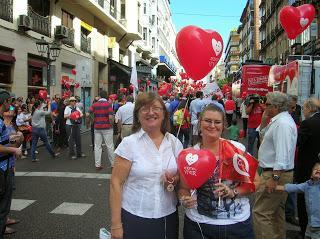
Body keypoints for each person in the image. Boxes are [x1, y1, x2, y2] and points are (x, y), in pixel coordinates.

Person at [178, 104, 259, 239]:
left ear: (223, 125)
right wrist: (184, 199)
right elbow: (183, 188)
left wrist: (233, 192)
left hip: (237, 226)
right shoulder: (189, 155)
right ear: (199, 124)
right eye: (208, 121)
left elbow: (256, 182)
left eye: (217, 122)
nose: (212, 125)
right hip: (199, 226)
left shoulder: (236, 149)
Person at [110, 92, 183, 239]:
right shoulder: (129, 143)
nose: (150, 112)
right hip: (135, 216)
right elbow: (116, 183)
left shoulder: (174, 143)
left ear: (164, 113)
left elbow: (181, 178)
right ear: (137, 115)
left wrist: (174, 180)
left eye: (156, 108)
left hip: (167, 216)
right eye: (144, 108)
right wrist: (116, 224)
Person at [252, 92, 297, 239]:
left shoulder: (282, 123)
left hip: (275, 173)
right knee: (276, 212)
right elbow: (265, 138)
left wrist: (274, 178)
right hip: (277, 172)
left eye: (268, 104)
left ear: (276, 106)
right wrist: (264, 121)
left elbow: (282, 154)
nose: (264, 106)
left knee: (261, 213)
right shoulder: (279, 120)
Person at [295, 98, 320, 236]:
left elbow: (298, 143)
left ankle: (304, 230)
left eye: (304, 108)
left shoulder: (307, 123)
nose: (303, 111)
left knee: (304, 201)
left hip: (307, 168)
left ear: (310, 109)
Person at [276, 162, 320, 239]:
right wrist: (276, 187)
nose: (318, 170)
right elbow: (293, 187)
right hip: (310, 224)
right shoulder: (307, 185)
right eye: (316, 169)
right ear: (311, 175)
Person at [0, 89, 22, 238]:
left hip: (6, 165)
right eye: (10, 102)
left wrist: (14, 138)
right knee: (3, 201)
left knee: (5, 199)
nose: (12, 106)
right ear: (4, 102)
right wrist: (14, 151)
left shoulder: (4, 122)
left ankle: (4, 222)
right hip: (2, 167)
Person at [88, 91, 114, 170]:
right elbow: (110, 117)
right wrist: (111, 125)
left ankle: (98, 165)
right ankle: (113, 165)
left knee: (97, 146)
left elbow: (88, 114)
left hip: (97, 127)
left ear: (99, 96)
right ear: (106, 97)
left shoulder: (94, 104)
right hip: (107, 128)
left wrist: (89, 122)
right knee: (109, 146)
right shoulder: (108, 105)